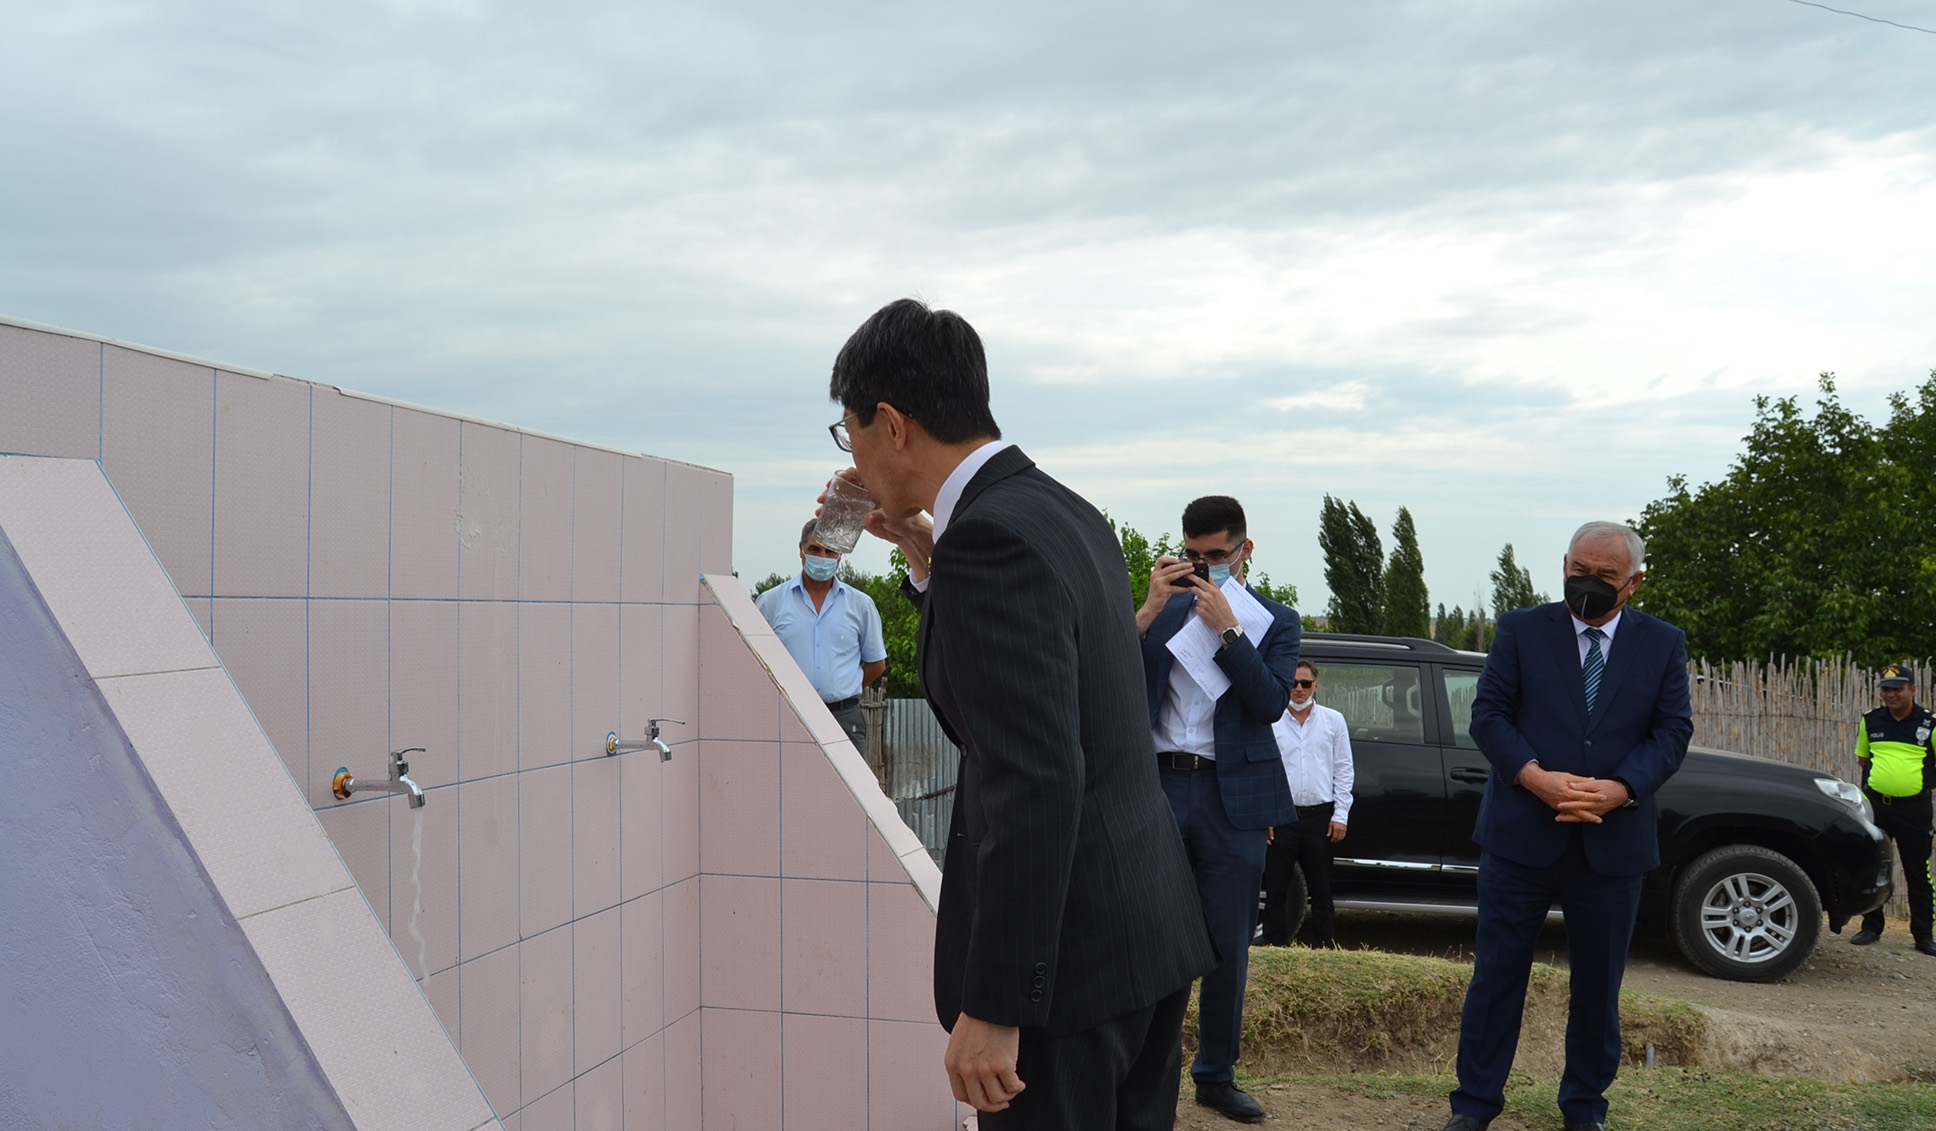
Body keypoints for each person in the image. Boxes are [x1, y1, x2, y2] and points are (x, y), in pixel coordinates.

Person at [826, 298, 1215, 1130]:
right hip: (1143, 932)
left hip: (1068, 976)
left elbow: (1034, 775)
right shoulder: (1060, 509)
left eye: (847, 431)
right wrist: (927, 553)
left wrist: (999, 1001)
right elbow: (1042, 690)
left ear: (890, 423)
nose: (851, 454)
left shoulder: (988, 541)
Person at [1442, 521, 1692, 1131]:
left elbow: (1672, 731)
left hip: (1612, 844)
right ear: (1563, 565)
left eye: (1605, 575)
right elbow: (1489, 716)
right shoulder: (1521, 630)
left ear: (1634, 582)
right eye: (1579, 570)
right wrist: (1536, 777)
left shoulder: (1663, 643)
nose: (1588, 583)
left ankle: (1584, 1107)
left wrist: (1621, 789)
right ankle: (1474, 1105)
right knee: (1496, 979)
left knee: (1599, 988)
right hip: (1520, 838)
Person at [1136, 496, 1301, 1125]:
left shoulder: (1275, 621)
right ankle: (1148, 1078)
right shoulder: (1163, 612)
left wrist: (1230, 630)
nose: (1204, 566)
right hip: (1159, 784)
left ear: (1244, 551)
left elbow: (1270, 703)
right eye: (1193, 555)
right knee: (1155, 939)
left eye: (1216, 555)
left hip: (1232, 798)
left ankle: (1215, 1075)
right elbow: (1111, 677)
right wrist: (1147, 611)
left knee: (1228, 945)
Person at [755, 519, 888, 746]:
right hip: (789, 715)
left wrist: (843, 687)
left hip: (844, 718)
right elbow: (755, 661)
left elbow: (877, 664)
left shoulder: (861, 605)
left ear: (840, 555)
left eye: (830, 551)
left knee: (849, 772)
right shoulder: (770, 603)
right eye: (815, 549)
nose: (822, 557)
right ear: (801, 550)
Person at [1259, 660, 1353, 949]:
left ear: (1316, 685)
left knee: (1321, 888)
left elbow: (1343, 769)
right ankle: (1275, 946)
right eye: (1293, 683)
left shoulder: (1333, 721)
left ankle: (1323, 946)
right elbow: (1262, 771)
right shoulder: (1271, 721)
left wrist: (1341, 815)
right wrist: (1265, 815)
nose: (1299, 689)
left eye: (1305, 683)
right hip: (1282, 816)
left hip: (1320, 817)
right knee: (1276, 887)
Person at [1848, 664, 1936, 955]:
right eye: (1886, 689)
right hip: (1877, 806)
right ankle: (1871, 927)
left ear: (1912, 690)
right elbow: (1864, 760)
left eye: (1898, 688)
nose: (1891, 694)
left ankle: (1923, 934)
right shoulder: (1871, 720)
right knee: (1873, 865)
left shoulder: (1929, 724)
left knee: (1918, 871)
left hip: (1914, 810)